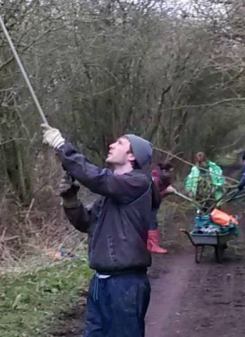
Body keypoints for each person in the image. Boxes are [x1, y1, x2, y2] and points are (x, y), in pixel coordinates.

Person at [42, 125, 160, 337]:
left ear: (132, 155)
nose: (112, 144)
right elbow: (85, 223)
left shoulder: (139, 183)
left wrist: (63, 147)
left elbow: (99, 179)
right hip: (100, 283)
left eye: (120, 143)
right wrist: (70, 198)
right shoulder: (110, 195)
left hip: (126, 285)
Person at [148, 161, 175, 254]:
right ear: (164, 171)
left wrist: (169, 187)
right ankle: (152, 246)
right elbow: (153, 197)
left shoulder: (163, 177)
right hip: (148, 204)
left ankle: (150, 245)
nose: (171, 174)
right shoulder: (155, 179)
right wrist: (166, 192)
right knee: (152, 223)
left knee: (151, 223)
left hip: (154, 204)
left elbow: (166, 184)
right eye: (170, 172)